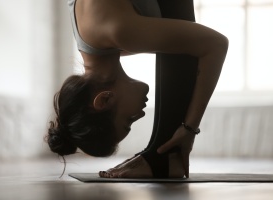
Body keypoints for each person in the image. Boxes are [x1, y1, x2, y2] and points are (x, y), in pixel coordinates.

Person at [46, 0, 228, 178]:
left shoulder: (121, 32)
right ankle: (162, 154)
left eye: (129, 120)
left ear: (105, 99)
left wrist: (189, 128)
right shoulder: (90, 34)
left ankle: (164, 156)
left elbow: (216, 44)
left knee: (183, 45)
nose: (140, 115)